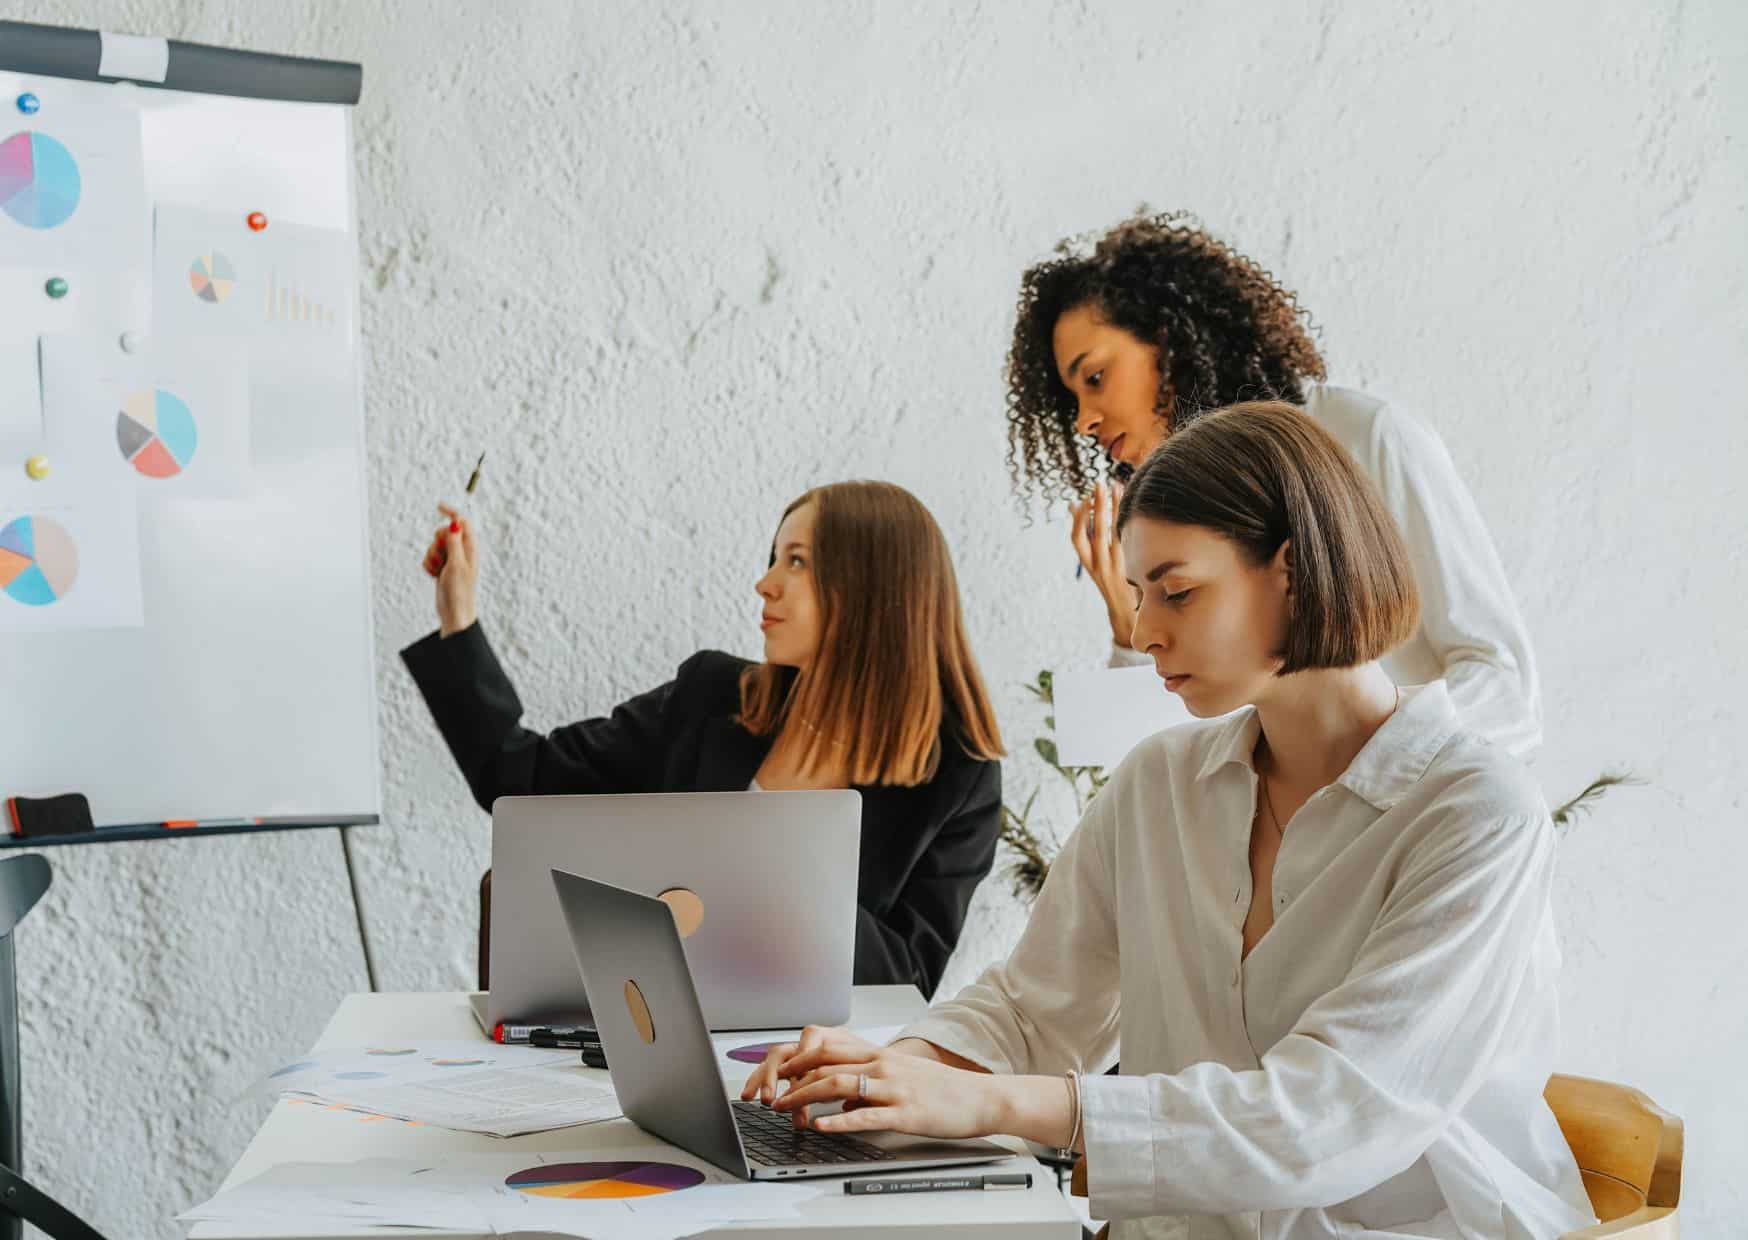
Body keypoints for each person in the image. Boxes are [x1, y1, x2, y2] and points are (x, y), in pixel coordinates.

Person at [745, 405, 1593, 1240]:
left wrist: (997, 1102)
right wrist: (895, 1069)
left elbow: (1330, 1117)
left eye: (1176, 592)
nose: (1145, 632)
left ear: (1291, 571)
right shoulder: (1160, 781)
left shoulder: (1476, 813)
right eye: (1137, 596)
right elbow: (1037, 1009)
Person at [401, 479, 1005, 997]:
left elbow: (909, 982)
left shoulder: (958, 775)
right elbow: (517, 777)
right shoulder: (712, 696)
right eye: (775, 556)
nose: (765, 583)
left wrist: (777, 869)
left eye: (797, 561)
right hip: (648, 1030)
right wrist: (459, 617)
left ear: (874, 588)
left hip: (802, 1069)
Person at [1005, 211, 1542, 756]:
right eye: (1071, 399)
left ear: (1169, 341)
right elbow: (1154, 762)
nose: (1083, 421)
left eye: (1095, 378)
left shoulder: (1369, 439)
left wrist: (1361, 767)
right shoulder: (1168, 519)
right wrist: (1130, 618)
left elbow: (1504, 687)